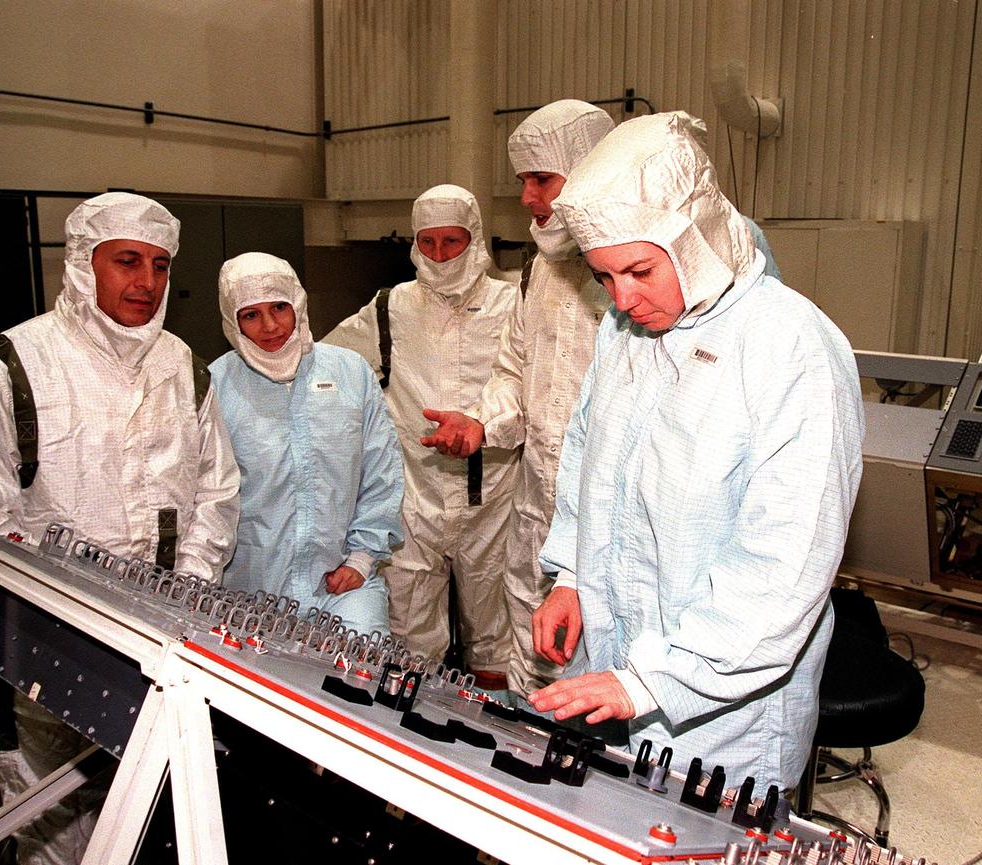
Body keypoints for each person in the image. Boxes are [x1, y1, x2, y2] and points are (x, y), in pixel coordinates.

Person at [527, 113, 865, 792]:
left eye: (640, 269)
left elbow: (783, 565)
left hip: (721, 713)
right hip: (614, 673)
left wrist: (658, 678)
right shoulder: (627, 331)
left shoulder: (790, 347)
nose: (623, 298)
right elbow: (592, 459)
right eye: (603, 277)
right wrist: (569, 577)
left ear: (696, 235)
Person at [420, 103, 783, 695]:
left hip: (656, 522)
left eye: (543, 179)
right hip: (546, 511)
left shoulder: (706, 258)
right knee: (534, 663)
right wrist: (484, 421)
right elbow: (519, 371)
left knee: (637, 678)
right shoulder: (539, 271)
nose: (530, 199)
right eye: (522, 183)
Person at [0, 192, 240, 865]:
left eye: (160, 265)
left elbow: (216, 493)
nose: (147, 282)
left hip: (152, 638)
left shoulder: (180, 367)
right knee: (39, 804)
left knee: (136, 802)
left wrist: (184, 593)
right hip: (38, 641)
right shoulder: (10, 363)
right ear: (80, 263)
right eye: (127, 260)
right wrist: (44, 617)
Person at [323, 184, 519, 687]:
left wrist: (484, 424)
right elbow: (328, 362)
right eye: (427, 243)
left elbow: (530, 388)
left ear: (475, 240)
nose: (439, 255)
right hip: (413, 499)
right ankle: (421, 737)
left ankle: (489, 747)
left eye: (451, 241)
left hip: (495, 500)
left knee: (497, 640)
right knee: (411, 638)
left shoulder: (513, 304)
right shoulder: (391, 308)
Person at [209, 252, 403, 634]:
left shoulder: (351, 373)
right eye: (251, 314)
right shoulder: (217, 385)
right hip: (249, 591)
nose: (269, 326)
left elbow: (381, 470)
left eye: (280, 307)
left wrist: (362, 559)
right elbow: (206, 494)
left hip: (342, 583)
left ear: (298, 303)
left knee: (360, 679)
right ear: (233, 322)